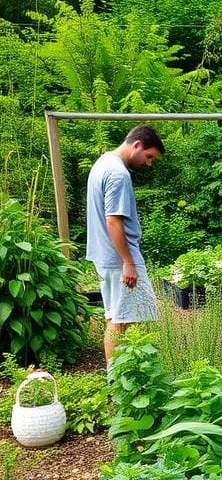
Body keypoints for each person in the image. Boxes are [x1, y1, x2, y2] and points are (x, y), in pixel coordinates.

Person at [85, 125, 165, 365]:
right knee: (123, 321)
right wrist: (128, 261)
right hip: (119, 259)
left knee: (116, 318)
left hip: (106, 257)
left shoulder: (102, 164)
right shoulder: (118, 173)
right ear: (137, 145)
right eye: (149, 156)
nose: (149, 163)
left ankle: (119, 381)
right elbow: (113, 220)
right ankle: (122, 384)